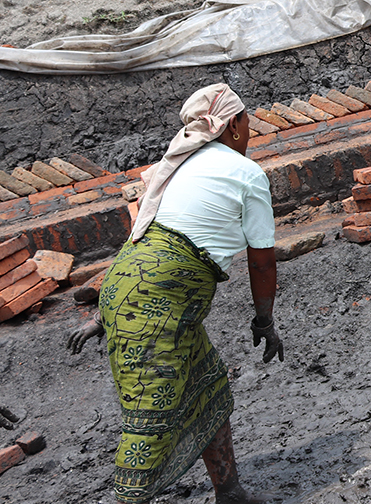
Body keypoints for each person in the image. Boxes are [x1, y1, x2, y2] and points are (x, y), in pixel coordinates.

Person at [67, 83, 282, 504]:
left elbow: (143, 239)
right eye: (248, 120)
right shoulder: (247, 173)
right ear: (234, 124)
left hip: (138, 293)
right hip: (156, 303)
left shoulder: (181, 163)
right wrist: (265, 321)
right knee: (151, 416)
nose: (250, 128)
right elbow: (262, 262)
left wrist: (101, 315)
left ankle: (231, 492)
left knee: (209, 389)